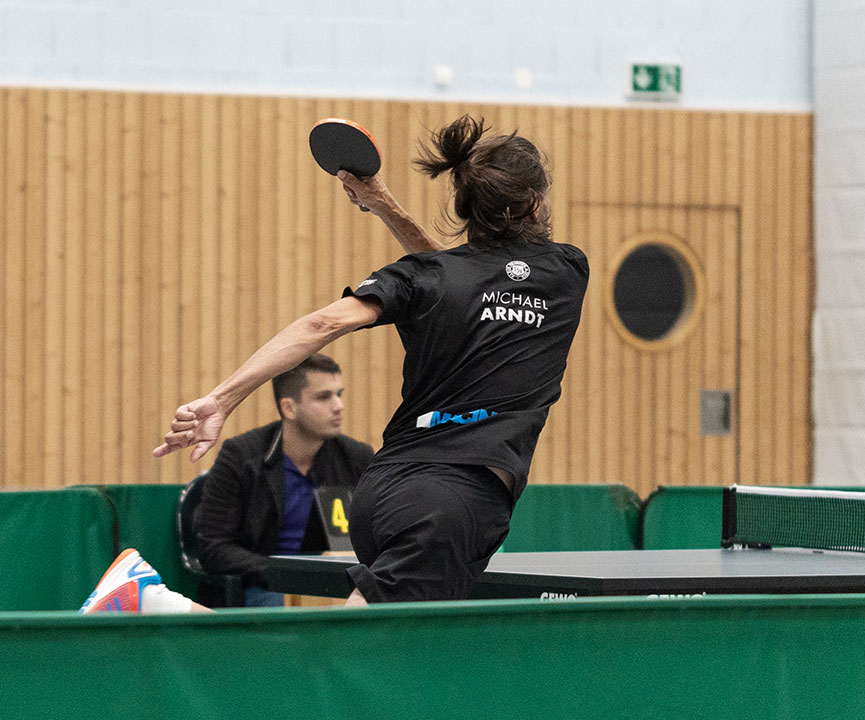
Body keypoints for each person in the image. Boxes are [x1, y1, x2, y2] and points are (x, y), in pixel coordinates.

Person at [80, 114, 588, 613]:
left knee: (403, 654)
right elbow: (470, 282)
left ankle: (155, 602)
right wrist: (387, 209)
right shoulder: (567, 270)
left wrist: (222, 398)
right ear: (534, 202)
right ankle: (154, 601)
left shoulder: (429, 278)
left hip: (382, 490)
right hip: (451, 500)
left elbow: (327, 322)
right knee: (349, 652)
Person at [193, 353, 374, 607]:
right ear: (289, 408)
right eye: (324, 397)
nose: (338, 405)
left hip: (338, 587)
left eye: (339, 394)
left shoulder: (355, 457)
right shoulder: (242, 456)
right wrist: (289, 574)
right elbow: (213, 547)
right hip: (265, 586)